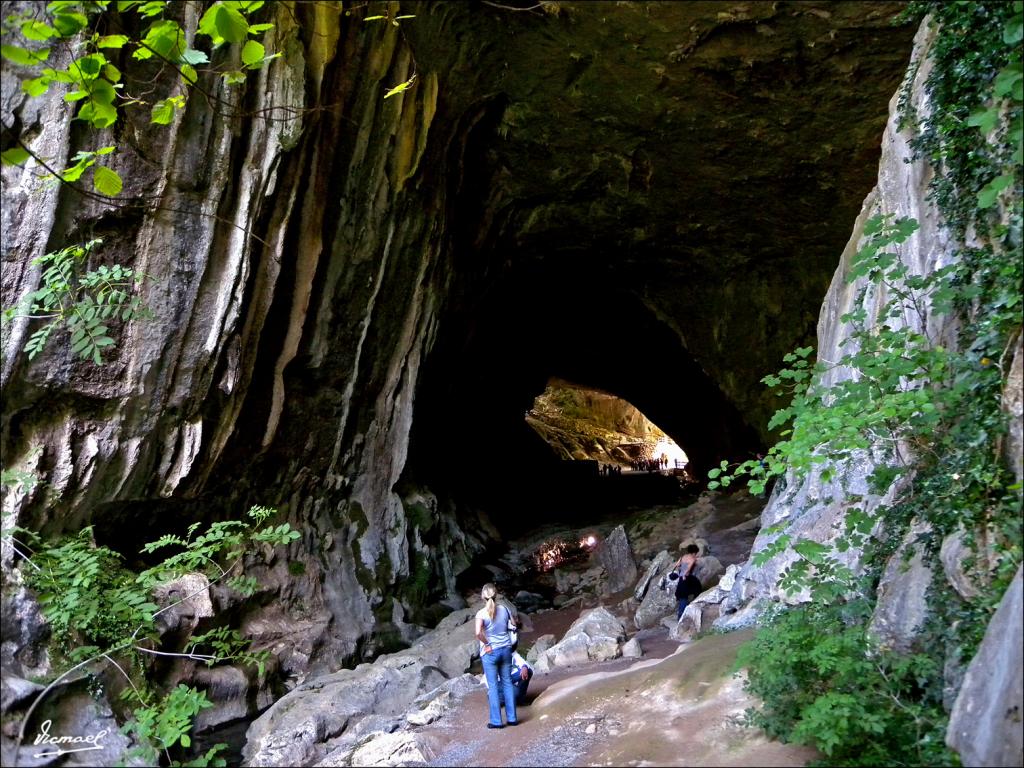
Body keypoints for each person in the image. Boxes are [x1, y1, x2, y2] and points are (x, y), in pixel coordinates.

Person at [474, 583, 518, 728]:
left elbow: (478, 633)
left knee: (493, 687)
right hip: (506, 649)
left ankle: (496, 721)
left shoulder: (481, 614)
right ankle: (512, 718)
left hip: (490, 653)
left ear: (483, 596)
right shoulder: (505, 609)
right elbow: (513, 625)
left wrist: (487, 644)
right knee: (507, 683)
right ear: (496, 595)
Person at [672, 544, 702, 620]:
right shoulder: (692, 559)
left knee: (695, 587)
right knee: (684, 596)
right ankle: (681, 616)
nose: (696, 555)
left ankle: (689, 607)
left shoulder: (683, 556)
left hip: (683, 577)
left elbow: (677, 565)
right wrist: (684, 575)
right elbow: (687, 569)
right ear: (694, 552)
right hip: (686, 578)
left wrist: (682, 572)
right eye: (696, 553)